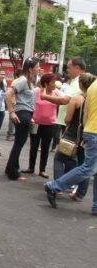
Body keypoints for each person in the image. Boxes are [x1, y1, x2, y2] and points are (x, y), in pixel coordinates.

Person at [45, 72, 97, 217]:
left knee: (90, 168)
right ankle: (54, 186)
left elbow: (84, 116)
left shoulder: (92, 88)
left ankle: (96, 206)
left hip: (89, 131)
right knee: (88, 168)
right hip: (93, 133)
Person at [5, 57, 39, 181]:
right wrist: (12, 112)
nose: (39, 69)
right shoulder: (23, 80)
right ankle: (14, 172)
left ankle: (10, 169)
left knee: (18, 143)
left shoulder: (29, 81)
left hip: (26, 113)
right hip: (22, 113)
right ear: (30, 69)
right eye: (37, 67)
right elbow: (8, 94)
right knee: (19, 143)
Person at [21, 73, 59, 178]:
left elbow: (61, 105)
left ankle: (42, 170)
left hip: (50, 125)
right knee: (34, 146)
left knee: (45, 147)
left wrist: (55, 118)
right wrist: (30, 118)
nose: (54, 84)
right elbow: (28, 104)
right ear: (46, 83)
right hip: (35, 123)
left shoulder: (57, 93)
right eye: (52, 82)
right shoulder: (36, 92)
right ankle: (31, 167)